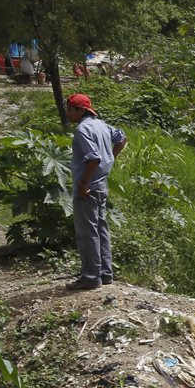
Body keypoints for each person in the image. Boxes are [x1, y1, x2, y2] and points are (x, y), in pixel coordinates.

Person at [66, 93, 126, 290]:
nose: (68, 113)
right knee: (101, 229)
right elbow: (122, 138)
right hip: (102, 185)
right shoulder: (102, 125)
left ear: (80, 110)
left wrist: (84, 182)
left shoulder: (83, 129)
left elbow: (93, 158)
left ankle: (91, 277)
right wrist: (111, 157)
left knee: (87, 232)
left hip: (89, 187)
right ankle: (105, 274)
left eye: (71, 109)